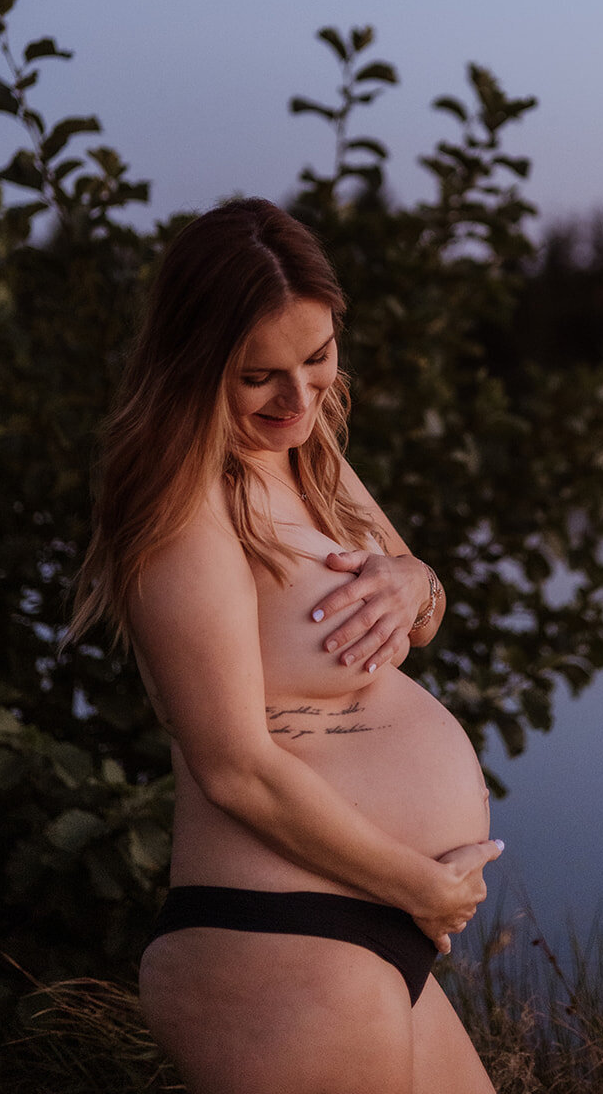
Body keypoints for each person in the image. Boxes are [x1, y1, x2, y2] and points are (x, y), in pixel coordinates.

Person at [70, 197, 503, 1094]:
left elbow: (418, 615)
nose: (299, 397)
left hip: (355, 923)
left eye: (317, 358)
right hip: (278, 933)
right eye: (258, 376)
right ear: (195, 365)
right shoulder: (183, 515)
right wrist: (419, 889)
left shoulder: (308, 459)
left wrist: (412, 578)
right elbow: (234, 768)